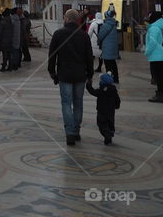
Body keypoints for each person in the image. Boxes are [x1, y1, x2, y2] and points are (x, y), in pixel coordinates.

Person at [48, 8, 94, 145]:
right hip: (80, 74)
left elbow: (52, 55)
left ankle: (70, 133)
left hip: (64, 74)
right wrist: (90, 74)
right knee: (78, 102)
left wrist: (52, 72)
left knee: (66, 103)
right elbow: (89, 57)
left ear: (67, 19)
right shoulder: (83, 35)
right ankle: (76, 130)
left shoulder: (58, 34)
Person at [86, 72, 121, 145]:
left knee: (101, 124)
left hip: (101, 111)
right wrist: (117, 106)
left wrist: (88, 85)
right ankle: (110, 133)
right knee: (110, 123)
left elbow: (92, 91)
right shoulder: (114, 91)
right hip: (111, 111)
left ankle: (107, 134)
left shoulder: (100, 90)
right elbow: (117, 100)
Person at [145, 11, 163, 103]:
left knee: (158, 76)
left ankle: (160, 95)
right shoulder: (156, 27)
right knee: (159, 76)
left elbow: (152, 42)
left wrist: (147, 51)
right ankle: (161, 94)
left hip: (156, 54)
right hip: (157, 54)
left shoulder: (154, 28)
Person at [97, 8, 120, 83]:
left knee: (108, 64)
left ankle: (109, 79)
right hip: (113, 47)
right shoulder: (113, 24)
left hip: (107, 48)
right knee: (113, 63)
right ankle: (116, 78)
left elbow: (101, 35)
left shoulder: (106, 25)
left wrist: (98, 41)